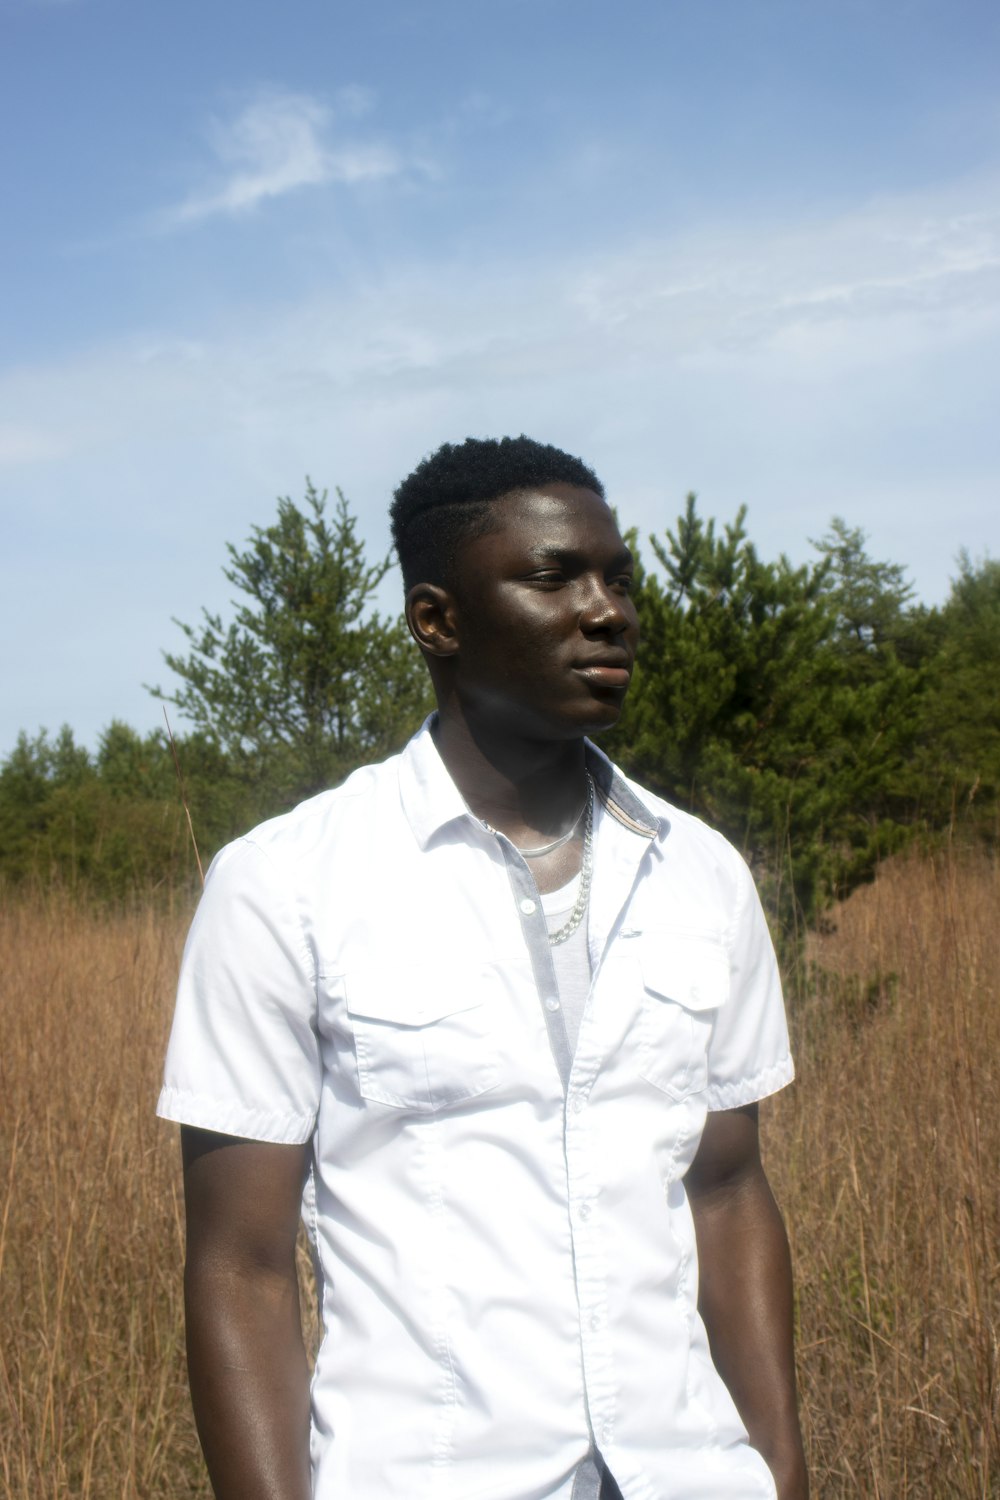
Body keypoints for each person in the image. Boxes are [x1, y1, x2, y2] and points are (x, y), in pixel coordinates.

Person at [158, 435, 809, 1500]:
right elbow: (241, 1266)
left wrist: (779, 1474)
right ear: (437, 620)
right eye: (553, 578)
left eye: (619, 578)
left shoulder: (700, 872)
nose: (609, 611)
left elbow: (728, 1190)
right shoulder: (288, 882)